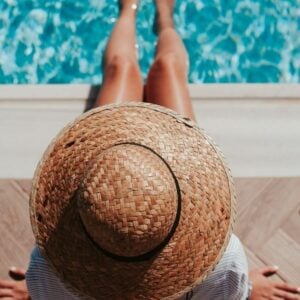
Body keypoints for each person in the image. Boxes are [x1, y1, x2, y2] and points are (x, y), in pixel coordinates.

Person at [1, 0, 300, 299]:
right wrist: (243, 288)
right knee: (167, 69)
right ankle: (165, 18)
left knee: (121, 70)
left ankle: (128, 10)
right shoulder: (224, 262)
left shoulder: (47, 265)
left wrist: (35, 289)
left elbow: (49, 291)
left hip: (122, 167)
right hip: (161, 177)